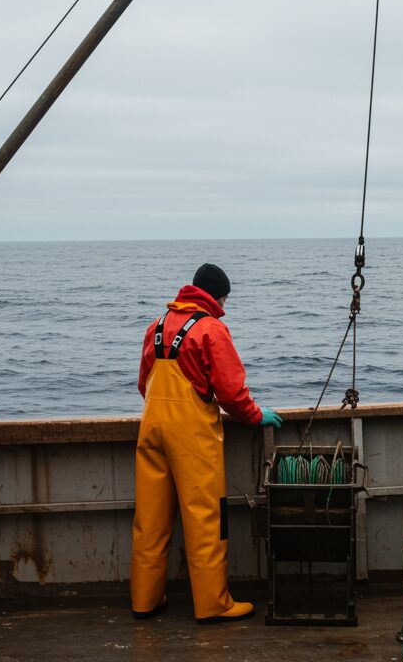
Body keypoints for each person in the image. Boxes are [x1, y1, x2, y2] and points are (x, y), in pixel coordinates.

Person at [130, 263, 284, 623]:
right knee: (206, 518)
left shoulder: (156, 326)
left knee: (150, 520)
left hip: (152, 430)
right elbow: (231, 392)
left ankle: (145, 601)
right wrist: (255, 415)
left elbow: (143, 383)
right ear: (218, 296)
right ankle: (213, 605)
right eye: (225, 298)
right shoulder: (211, 328)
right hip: (192, 437)